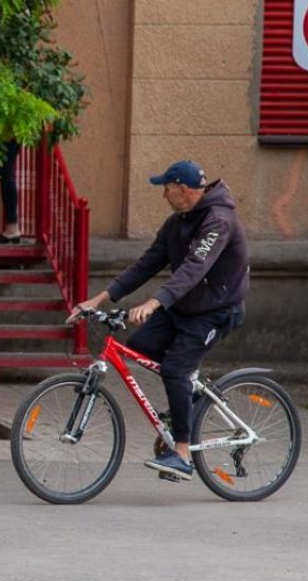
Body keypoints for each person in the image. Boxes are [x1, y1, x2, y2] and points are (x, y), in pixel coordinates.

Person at [70, 160, 249, 481]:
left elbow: (194, 269)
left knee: (175, 368)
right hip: (183, 307)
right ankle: (189, 401)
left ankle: (181, 453)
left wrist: (155, 302)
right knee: (140, 345)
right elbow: (145, 265)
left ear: (183, 190)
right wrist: (97, 299)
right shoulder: (177, 223)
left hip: (216, 311)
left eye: (166, 188)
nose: (163, 194)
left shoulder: (218, 220)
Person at [0, 139, 22, 243]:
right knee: (6, 175)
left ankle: (12, 228)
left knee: (6, 175)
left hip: (7, 132)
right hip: (13, 131)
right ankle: (12, 227)